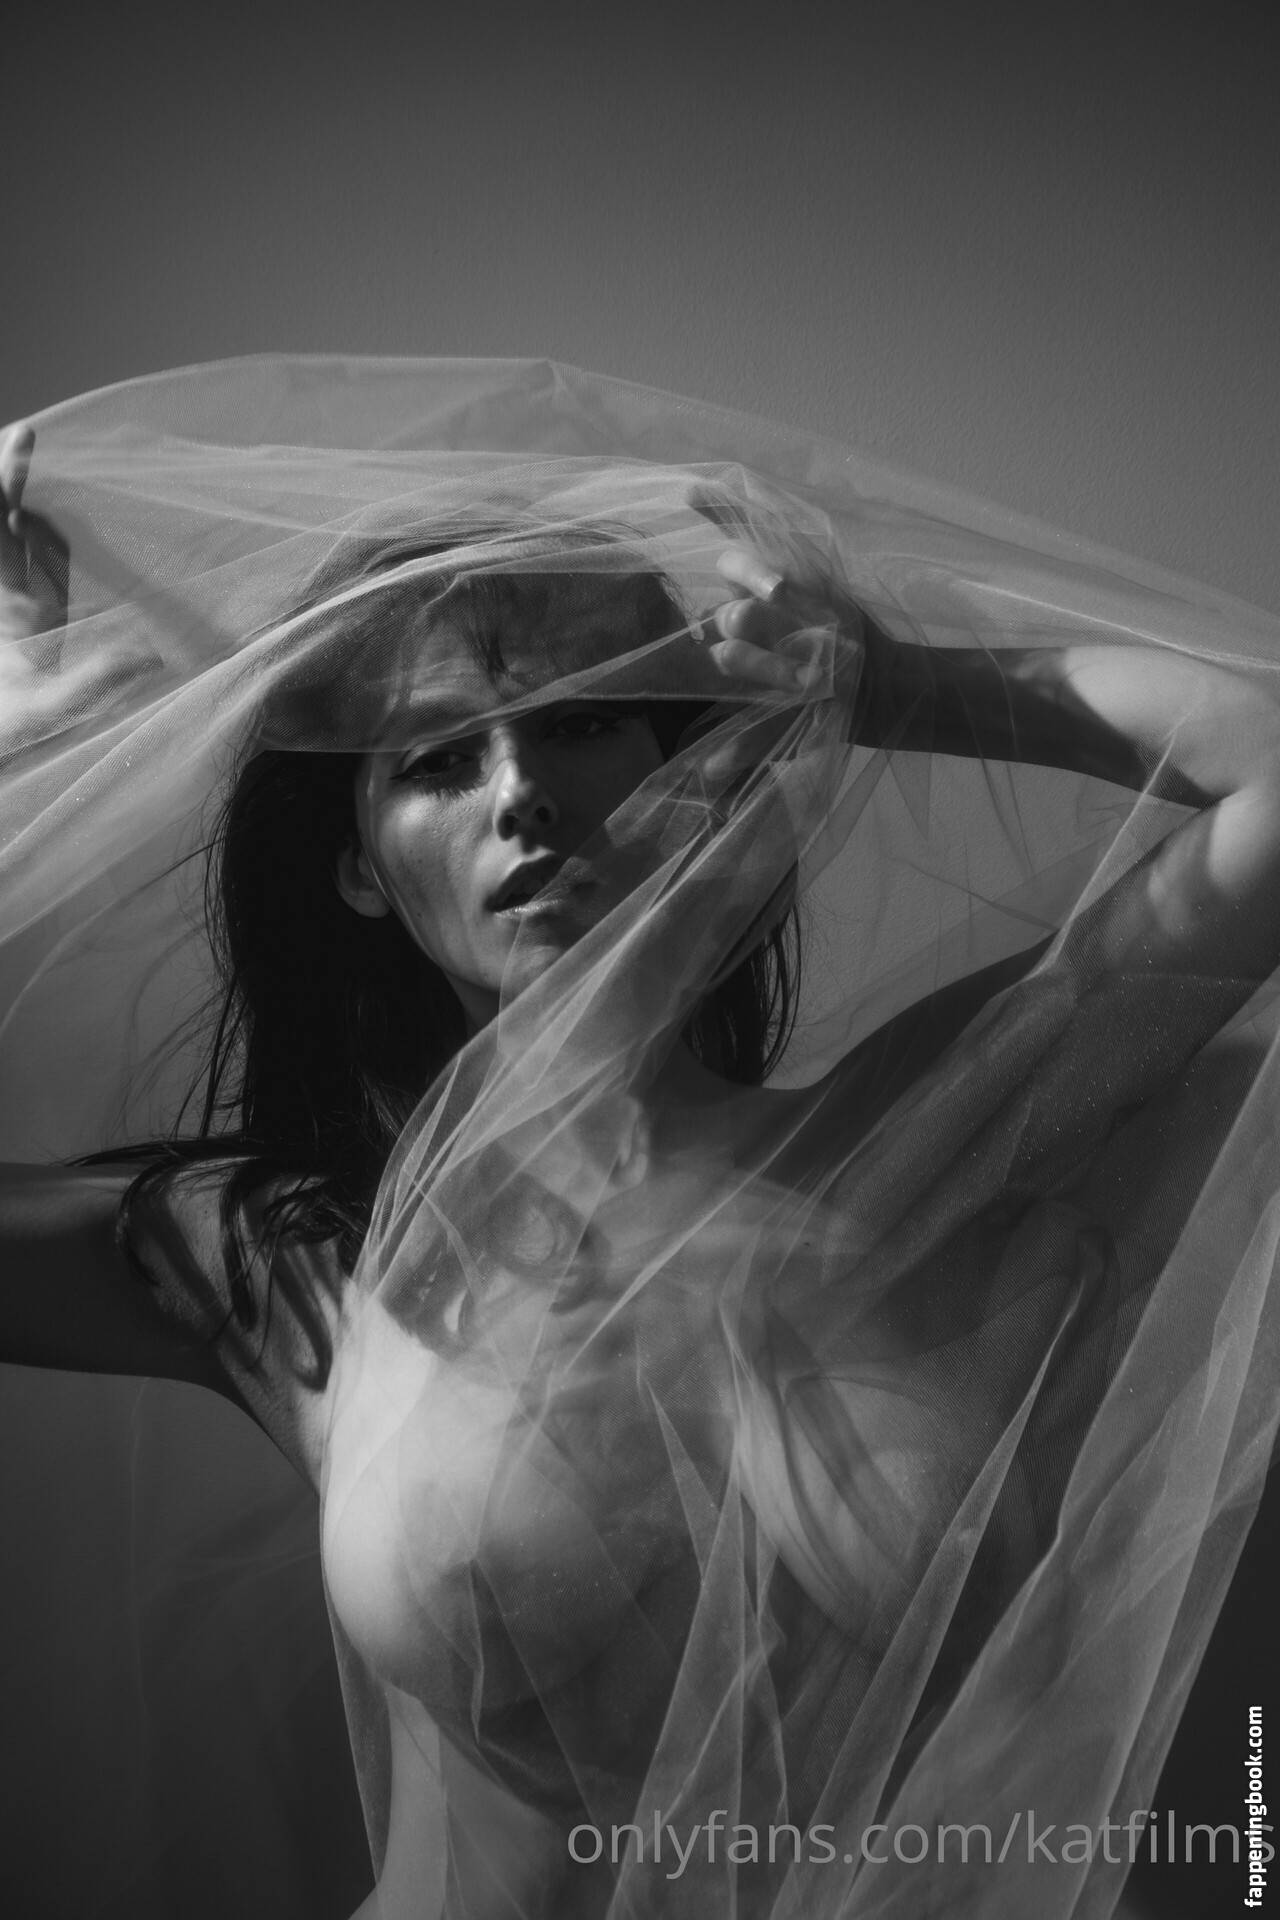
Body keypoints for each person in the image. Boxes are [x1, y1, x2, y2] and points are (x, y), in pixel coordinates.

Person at [1, 358, 1277, 1919]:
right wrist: (14, 759)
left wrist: (895, 687)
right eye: (437, 761)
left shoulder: (937, 1135)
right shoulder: (296, 1267)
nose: (520, 793)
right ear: (358, 867)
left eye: (584, 724)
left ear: (691, 775)